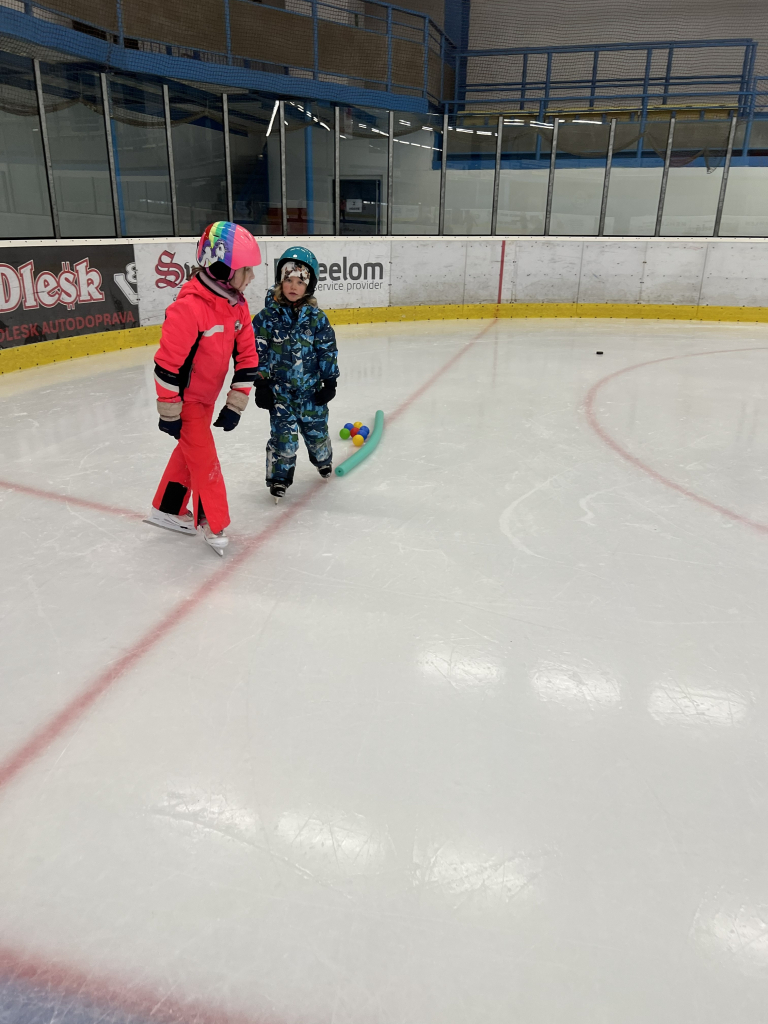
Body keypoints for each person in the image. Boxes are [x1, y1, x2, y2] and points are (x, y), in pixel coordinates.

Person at [144, 221, 261, 555]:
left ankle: (168, 508)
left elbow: (248, 356)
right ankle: (213, 522)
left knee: (190, 453)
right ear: (223, 268)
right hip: (186, 401)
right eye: (246, 270)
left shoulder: (237, 305)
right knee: (204, 458)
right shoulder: (190, 308)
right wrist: (170, 411)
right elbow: (167, 365)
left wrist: (235, 403)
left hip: (207, 397)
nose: (252, 277)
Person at [252, 246, 339, 502]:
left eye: (300, 282)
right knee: (284, 439)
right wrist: (261, 384)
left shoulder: (317, 318)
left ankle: (323, 460)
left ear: (308, 286)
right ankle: (278, 478)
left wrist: (330, 381)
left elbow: (327, 350)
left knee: (317, 435)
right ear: (280, 280)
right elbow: (256, 351)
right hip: (280, 393)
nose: (293, 286)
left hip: (311, 392)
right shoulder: (266, 318)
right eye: (288, 279)